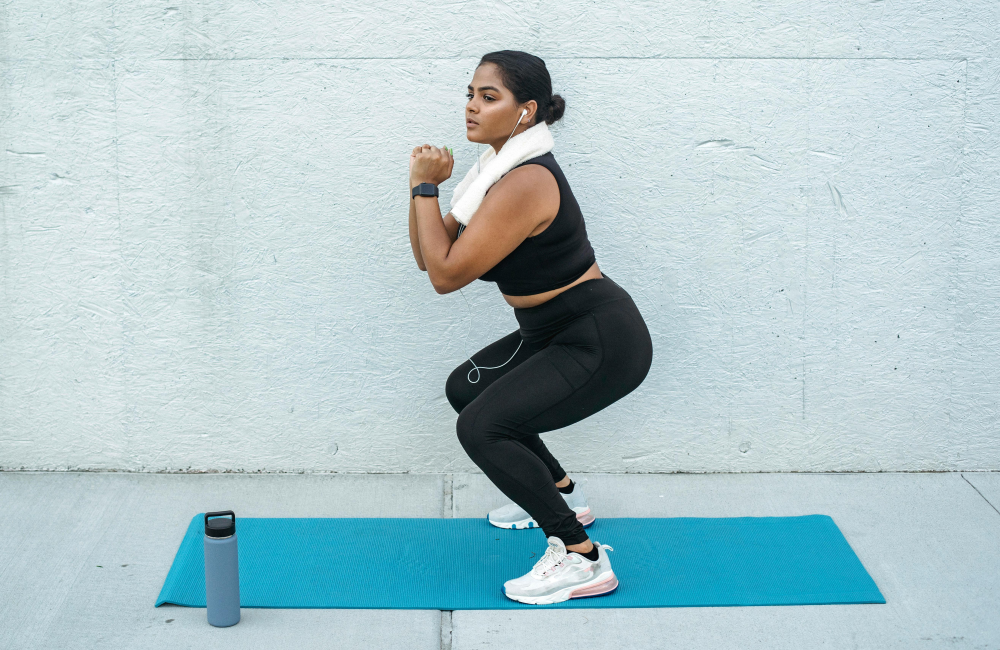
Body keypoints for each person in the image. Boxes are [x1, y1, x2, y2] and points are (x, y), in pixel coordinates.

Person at [407, 50, 653, 605]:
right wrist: (421, 189)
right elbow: (430, 255)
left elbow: (445, 276)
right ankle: (562, 492)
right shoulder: (491, 172)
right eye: (469, 93)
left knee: (481, 428)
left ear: (527, 112)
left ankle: (579, 556)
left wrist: (426, 189)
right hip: (552, 330)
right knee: (465, 390)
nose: (471, 106)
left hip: (599, 337)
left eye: (489, 97)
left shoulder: (524, 181)